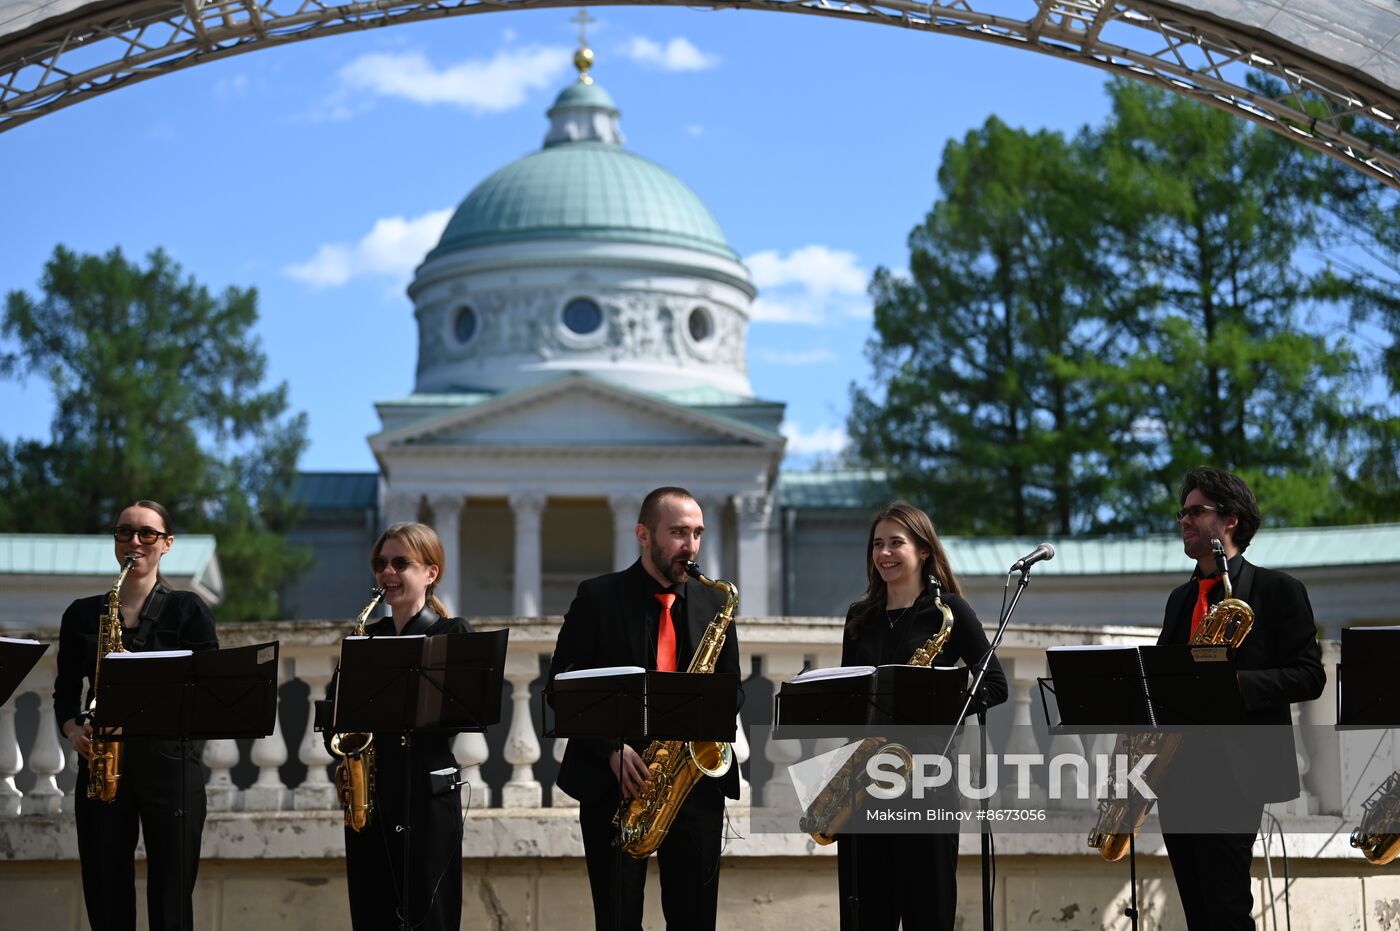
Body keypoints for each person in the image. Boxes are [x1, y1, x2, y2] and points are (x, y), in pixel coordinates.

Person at [547, 487, 741, 931]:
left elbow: (734, 692)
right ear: (642, 533)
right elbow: (561, 690)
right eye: (677, 533)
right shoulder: (597, 598)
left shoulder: (716, 604)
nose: (690, 546)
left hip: (691, 784)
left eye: (696, 534)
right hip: (615, 782)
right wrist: (609, 749)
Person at [1156, 467, 1325, 930]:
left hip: (1232, 772)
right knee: (1197, 909)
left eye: (1196, 511)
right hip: (1177, 773)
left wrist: (1236, 686)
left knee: (1227, 907)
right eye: (1182, 513)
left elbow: (1310, 676)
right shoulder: (1179, 599)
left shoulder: (1278, 590)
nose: (1184, 521)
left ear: (1230, 520)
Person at [835, 501, 1008, 931]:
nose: (885, 553)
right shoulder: (860, 617)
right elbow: (848, 697)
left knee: (926, 913)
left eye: (896, 543)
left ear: (924, 551)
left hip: (928, 783)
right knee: (864, 915)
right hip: (865, 784)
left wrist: (942, 703)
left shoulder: (949, 612)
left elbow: (996, 685)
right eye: (878, 544)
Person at [53, 499, 219, 931]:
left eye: (147, 533)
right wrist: (73, 729)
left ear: (167, 544)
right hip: (101, 764)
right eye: (124, 532)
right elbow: (66, 691)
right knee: (106, 897)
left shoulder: (189, 610)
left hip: (170, 766)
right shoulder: (82, 614)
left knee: (171, 900)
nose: (134, 541)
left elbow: (209, 691)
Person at [327, 521, 473, 931]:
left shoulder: (452, 633)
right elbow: (334, 717)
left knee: (431, 916)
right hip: (372, 795)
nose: (387, 573)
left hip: (428, 796)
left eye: (400, 563)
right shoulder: (363, 639)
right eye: (380, 563)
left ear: (431, 572)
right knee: (372, 914)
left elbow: (461, 714)